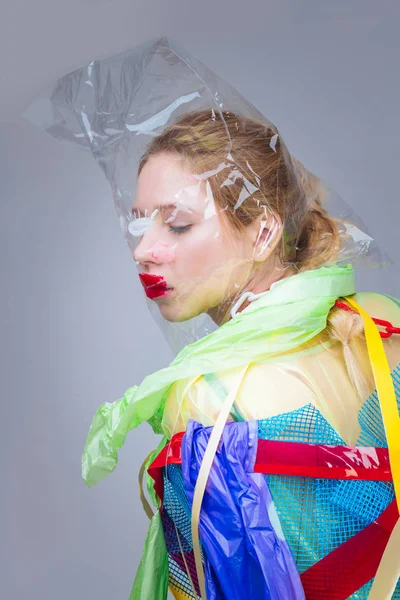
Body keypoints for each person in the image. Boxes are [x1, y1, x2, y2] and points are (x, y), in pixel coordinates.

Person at [25, 38, 400, 600]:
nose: (143, 250)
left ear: (264, 232)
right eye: (140, 225)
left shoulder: (208, 398)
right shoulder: (378, 326)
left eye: (175, 225)